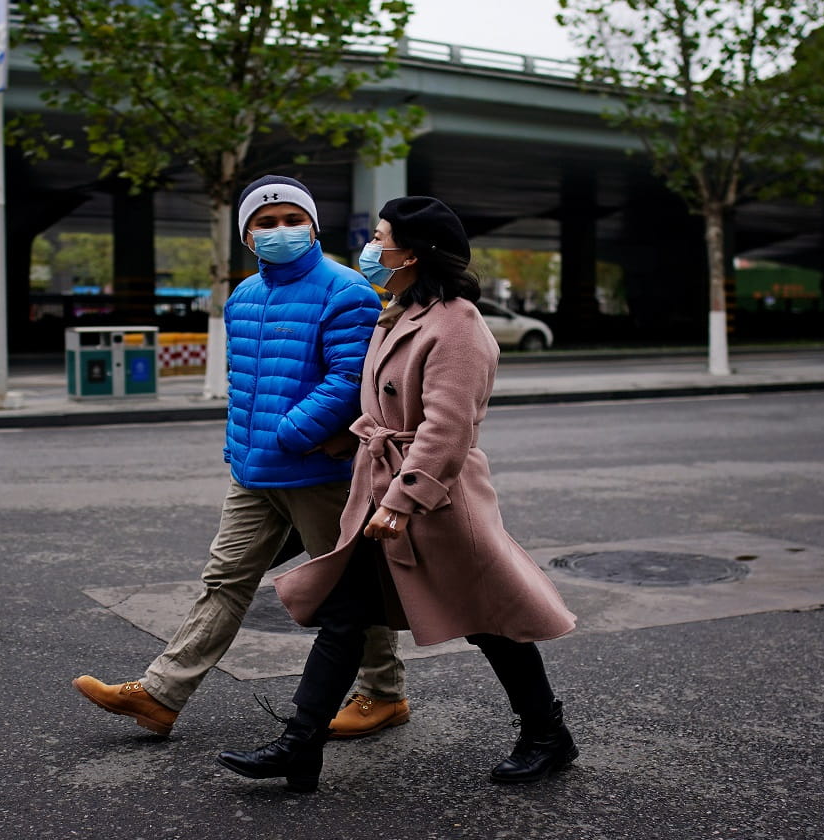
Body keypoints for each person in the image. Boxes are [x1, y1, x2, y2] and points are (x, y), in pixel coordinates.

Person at [216, 196, 579, 792]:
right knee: (344, 616)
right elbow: (379, 400)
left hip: (435, 501)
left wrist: (400, 502)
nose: (370, 246)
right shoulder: (401, 309)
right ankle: (299, 745)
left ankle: (546, 734)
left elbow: (447, 429)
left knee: (489, 620)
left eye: (380, 237)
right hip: (380, 486)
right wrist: (344, 443)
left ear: (410, 253)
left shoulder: (456, 324)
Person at [74, 175, 411, 736]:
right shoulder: (243, 297)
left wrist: (288, 434)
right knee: (224, 579)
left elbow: (350, 377)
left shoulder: (345, 290)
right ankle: (161, 694)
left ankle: (384, 693)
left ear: (312, 226)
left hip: (315, 470)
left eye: (292, 220)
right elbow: (242, 384)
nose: (282, 231)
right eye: (266, 223)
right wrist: (242, 447)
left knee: (346, 585)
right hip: (252, 472)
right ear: (248, 237)